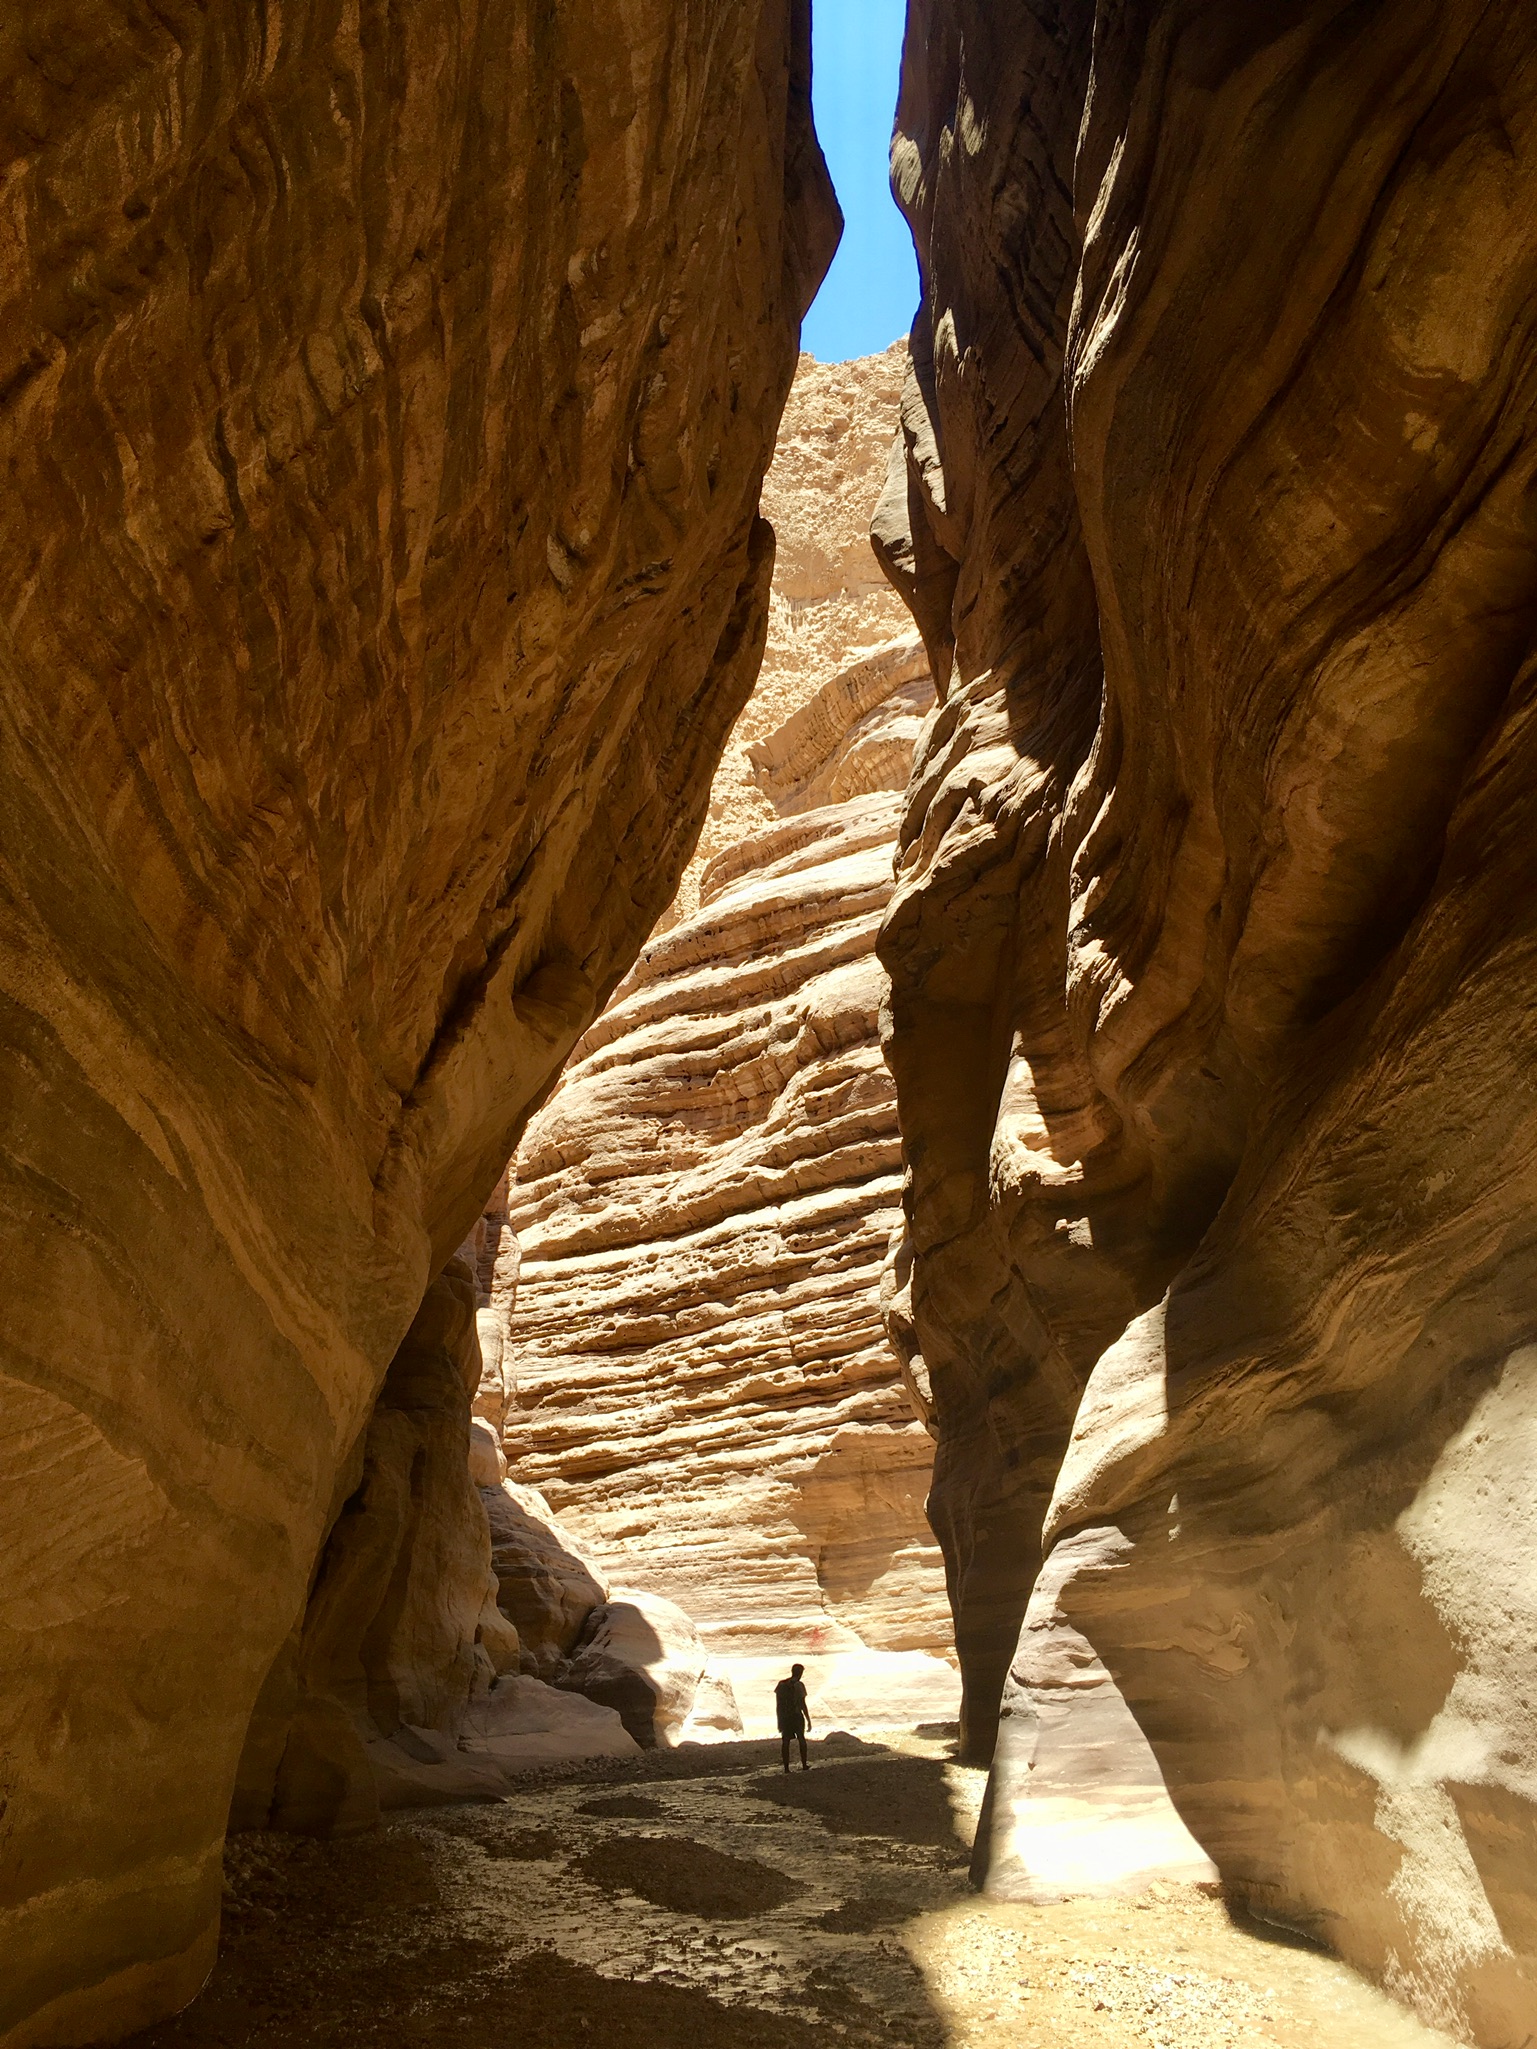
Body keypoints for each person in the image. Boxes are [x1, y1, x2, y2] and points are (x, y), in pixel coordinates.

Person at [775, 1661, 812, 1772]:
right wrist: (808, 1719)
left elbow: (778, 1704)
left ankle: (786, 1768)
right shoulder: (799, 1685)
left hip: (785, 1716)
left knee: (785, 1741)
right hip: (796, 1716)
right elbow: (802, 1704)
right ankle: (804, 1764)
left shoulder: (781, 1685)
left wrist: (780, 1718)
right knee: (801, 1739)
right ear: (800, 1673)